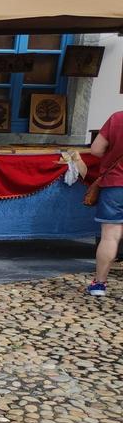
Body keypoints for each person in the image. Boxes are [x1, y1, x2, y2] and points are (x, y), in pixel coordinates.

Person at [86, 109, 123, 296]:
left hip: (115, 185)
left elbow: (96, 149)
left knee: (110, 236)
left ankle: (99, 285)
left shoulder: (117, 118)